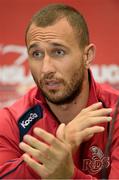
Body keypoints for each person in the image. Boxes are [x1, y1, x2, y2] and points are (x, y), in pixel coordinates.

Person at [0, 3, 119, 179]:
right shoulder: (10, 120)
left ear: (87, 56)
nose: (46, 68)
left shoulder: (116, 113)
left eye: (58, 52)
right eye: (37, 54)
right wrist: (62, 144)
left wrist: (69, 176)